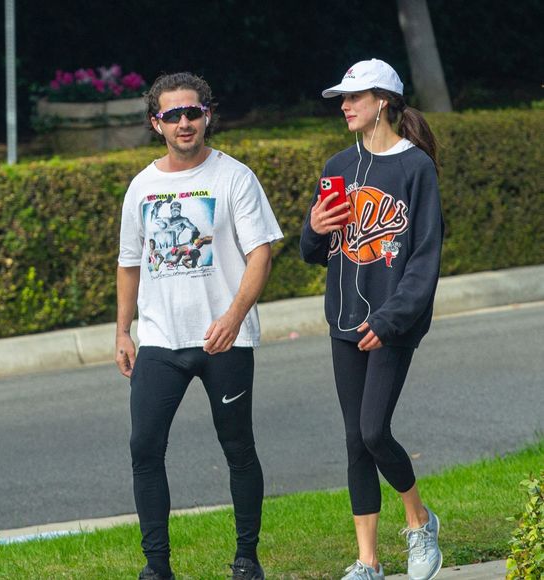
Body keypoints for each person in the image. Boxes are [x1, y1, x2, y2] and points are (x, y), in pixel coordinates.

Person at [116, 72, 283, 580]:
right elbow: (129, 262)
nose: (184, 122)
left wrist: (233, 318)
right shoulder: (142, 186)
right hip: (161, 341)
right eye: (173, 115)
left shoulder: (235, 177)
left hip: (224, 341)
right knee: (144, 448)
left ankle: (246, 558)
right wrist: (124, 332)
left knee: (237, 448)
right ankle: (157, 567)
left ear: (207, 115)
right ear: (156, 123)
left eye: (193, 112)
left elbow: (261, 254)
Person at [300, 59, 444, 580]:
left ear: (383, 101)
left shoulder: (415, 169)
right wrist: (314, 228)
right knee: (354, 440)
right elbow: (313, 251)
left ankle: (420, 520)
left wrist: (392, 318)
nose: (344, 105)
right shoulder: (337, 165)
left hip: (391, 324)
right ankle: (368, 561)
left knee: (374, 430)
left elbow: (425, 257)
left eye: (354, 97)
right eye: (342, 97)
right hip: (344, 320)